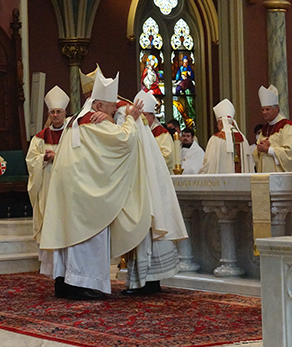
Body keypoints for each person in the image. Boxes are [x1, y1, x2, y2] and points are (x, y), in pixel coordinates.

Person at [40, 71, 151, 300]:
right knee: (88, 236)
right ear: (99, 105)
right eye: (110, 106)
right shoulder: (94, 121)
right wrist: (132, 117)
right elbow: (124, 141)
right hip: (87, 191)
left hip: (71, 186)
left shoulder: (76, 119)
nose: (112, 111)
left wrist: (115, 117)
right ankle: (80, 284)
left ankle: (64, 282)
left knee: (70, 236)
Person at [115, 90, 188, 296]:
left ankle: (147, 282)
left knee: (148, 234)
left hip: (146, 191)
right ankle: (141, 281)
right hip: (144, 190)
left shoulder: (142, 134)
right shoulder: (142, 133)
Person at [26, 86, 70, 269]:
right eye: (52, 111)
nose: (55, 114)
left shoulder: (73, 133)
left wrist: (57, 157)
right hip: (47, 186)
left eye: (58, 111)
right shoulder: (40, 138)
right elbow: (31, 160)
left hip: (67, 186)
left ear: (65, 112)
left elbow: (79, 155)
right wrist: (43, 158)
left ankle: (68, 266)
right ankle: (52, 267)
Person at [199, 99, 254, 174]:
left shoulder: (215, 139)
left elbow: (209, 164)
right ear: (232, 123)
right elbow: (250, 164)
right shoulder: (243, 139)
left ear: (220, 122)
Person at [253, 85, 292, 173]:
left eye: (267, 109)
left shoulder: (286, 127)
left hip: (280, 177)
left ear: (276, 109)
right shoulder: (264, 130)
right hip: (264, 175)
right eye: (263, 110)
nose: (264, 112)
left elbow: (289, 153)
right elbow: (255, 154)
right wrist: (259, 148)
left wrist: (268, 150)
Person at [134, 90, 174, 173]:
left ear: (152, 116)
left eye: (144, 115)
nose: (141, 118)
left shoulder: (162, 133)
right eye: (138, 115)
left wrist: (146, 163)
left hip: (157, 174)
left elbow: (167, 157)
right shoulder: (134, 131)